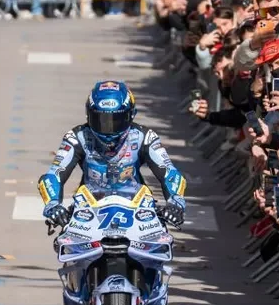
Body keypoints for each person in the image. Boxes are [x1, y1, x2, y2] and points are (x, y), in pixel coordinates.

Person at [38, 80, 186, 228]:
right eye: (101, 120)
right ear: (88, 115)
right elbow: (53, 175)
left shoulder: (145, 136)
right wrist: (53, 205)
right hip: (87, 213)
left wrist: (175, 203)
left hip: (139, 212)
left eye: (116, 120)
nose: (108, 129)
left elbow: (170, 172)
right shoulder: (77, 137)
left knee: (162, 245)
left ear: (130, 115)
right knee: (65, 244)